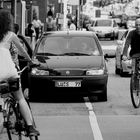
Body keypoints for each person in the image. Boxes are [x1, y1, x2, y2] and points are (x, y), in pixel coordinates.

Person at [0, 9, 40, 136]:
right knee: (20, 98)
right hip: (10, 72)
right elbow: (22, 51)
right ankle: (29, 127)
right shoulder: (10, 35)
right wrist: (30, 60)